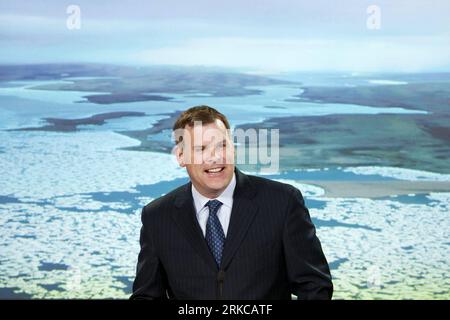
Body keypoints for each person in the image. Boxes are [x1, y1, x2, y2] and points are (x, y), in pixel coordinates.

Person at [131, 105, 333, 299]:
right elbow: (147, 295)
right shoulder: (157, 216)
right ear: (181, 156)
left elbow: (315, 286)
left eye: (222, 145)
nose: (216, 157)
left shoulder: (282, 202)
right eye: (201, 148)